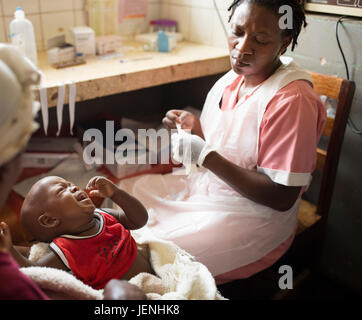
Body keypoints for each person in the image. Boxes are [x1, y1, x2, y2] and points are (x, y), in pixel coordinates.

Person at [0, 41, 145, 300]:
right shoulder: (12, 288)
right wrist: (123, 301)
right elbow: (36, 267)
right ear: (2, 168)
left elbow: (136, 220)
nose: (75, 189)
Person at [119, 0, 326, 284]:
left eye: (261, 39)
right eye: (237, 32)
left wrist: (205, 156)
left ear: (284, 42)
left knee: (150, 254)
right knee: (125, 200)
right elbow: (230, 147)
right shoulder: (235, 79)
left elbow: (281, 196)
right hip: (209, 192)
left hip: (255, 219)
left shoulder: (292, 101)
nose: (241, 48)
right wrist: (193, 132)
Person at [0, 175, 154, 290]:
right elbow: (34, 272)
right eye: (62, 190)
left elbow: (139, 220)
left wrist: (116, 194)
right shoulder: (66, 250)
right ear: (50, 220)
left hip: (154, 277)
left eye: (70, 184)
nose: (73, 187)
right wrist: (9, 250)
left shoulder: (103, 215)